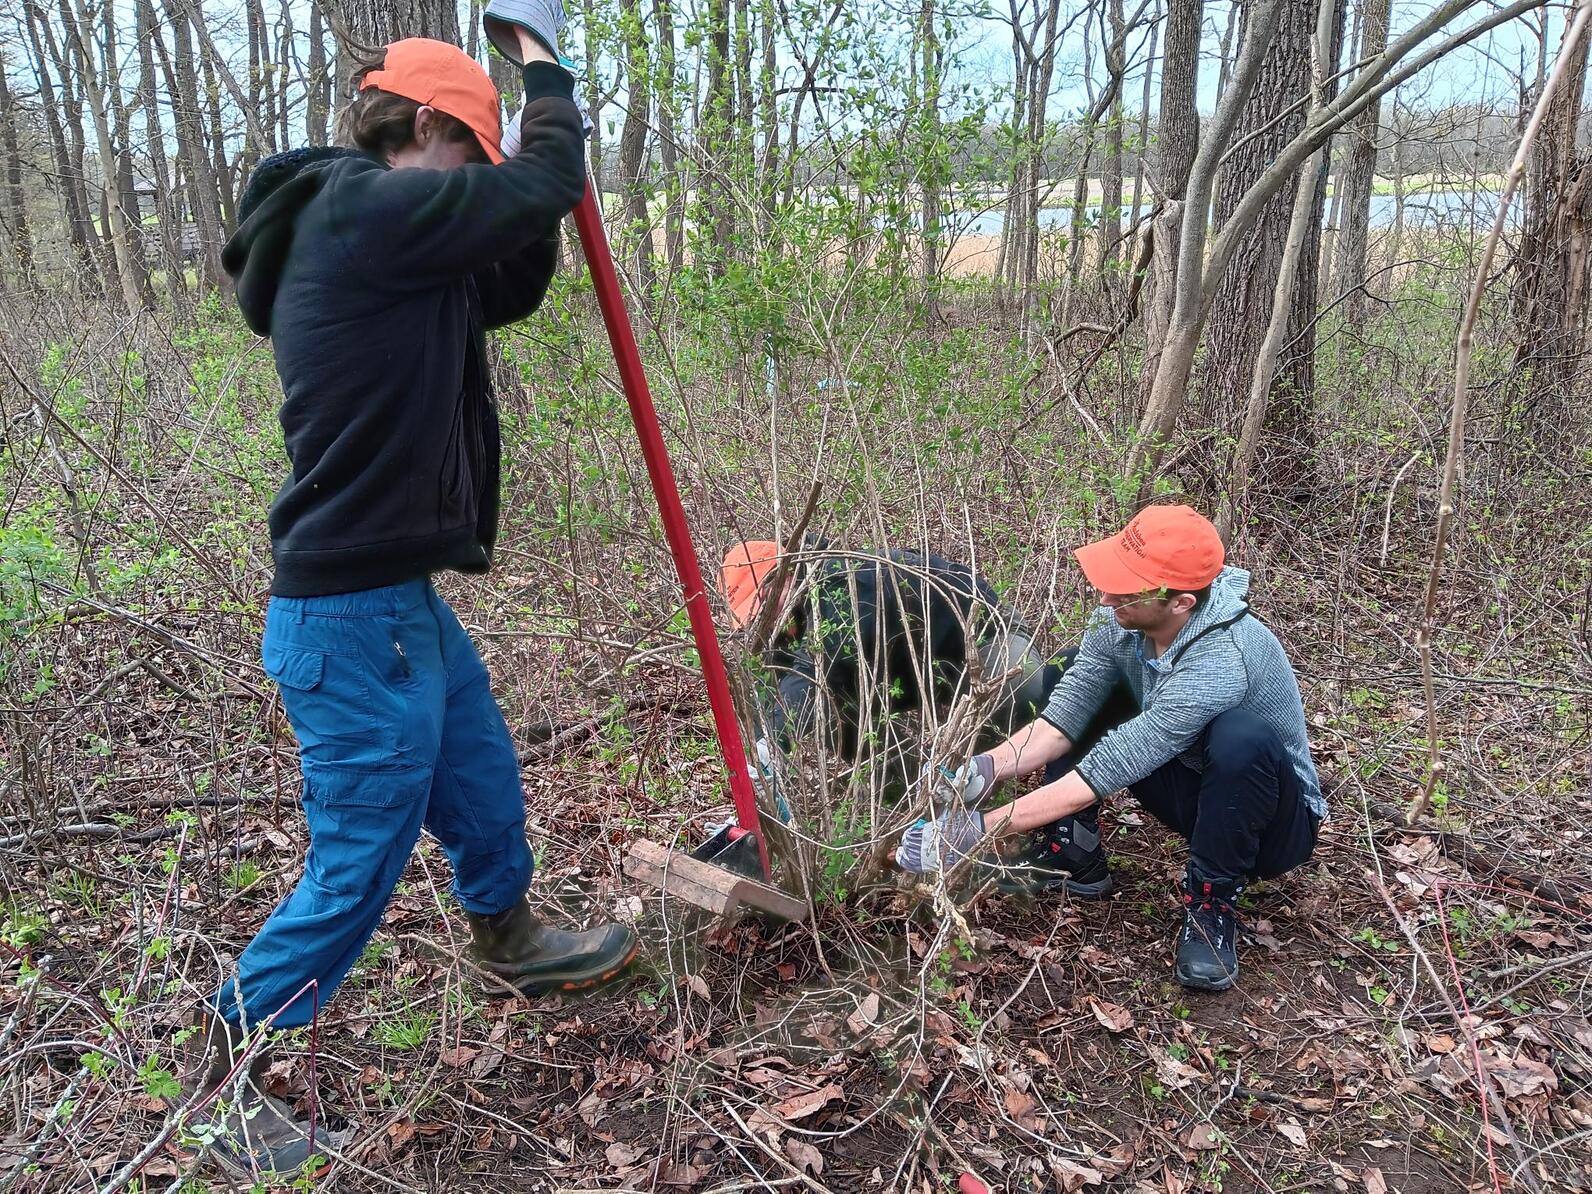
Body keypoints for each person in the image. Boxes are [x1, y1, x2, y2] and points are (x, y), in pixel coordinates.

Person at [196, 12, 635, 1178]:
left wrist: (519, 197)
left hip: (396, 602)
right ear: (432, 125)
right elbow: (539, 180)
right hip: (346, 617)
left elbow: (510, 270)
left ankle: (507, 933)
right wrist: (544, 71)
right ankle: (234, 1072)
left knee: (482, 771)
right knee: (357, 861)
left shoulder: (388, 244)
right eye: (469, 156)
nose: (476, 184)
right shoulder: (358, 211)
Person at [895, 505, 1325, 992]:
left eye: (1126, 587)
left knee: (1240, 736)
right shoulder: (1118, 617)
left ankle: (1211, 903)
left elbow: (1113, 763)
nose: (1105, 594)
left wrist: (976, 830)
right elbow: (1065, 718)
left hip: (1271, 822)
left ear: (1181, 602)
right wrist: (986, 766)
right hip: (1192, 783)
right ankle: (1074, 850)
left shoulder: (1224, 657)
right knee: (1075, 667)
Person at [719, 539, 1056, 810]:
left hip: (979, 640)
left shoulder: (845, 580)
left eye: (764, 603)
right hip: (909, 671)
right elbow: (776, 680)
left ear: (786, 574)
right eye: (755, 614)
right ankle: (912, 793)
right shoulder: (785, 616)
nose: (763, 619)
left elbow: (816, 668)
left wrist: (772, 744)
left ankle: (978, 791)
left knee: (1021, 684)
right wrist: (757, 748)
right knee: (836, 712)